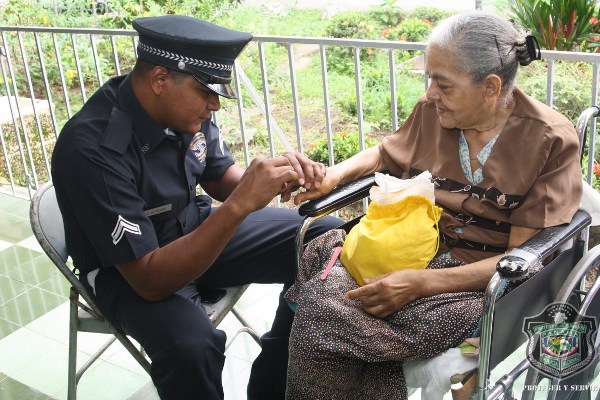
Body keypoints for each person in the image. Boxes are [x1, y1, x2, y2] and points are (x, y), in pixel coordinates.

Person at [285, 11, 583, 400]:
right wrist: (334, 175)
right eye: (430, 79)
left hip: (478, 285)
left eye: (443, 84)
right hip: (414, 252)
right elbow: (385, 154)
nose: (429, 94)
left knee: (324, 321)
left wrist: (421, 283)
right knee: (322, 294)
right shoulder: (433, 113)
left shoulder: (549, 140)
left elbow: (517, 261)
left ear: (491, 87)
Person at [50, 15, 342, 400]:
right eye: (206, 90)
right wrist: (238, 206)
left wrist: (271, 179)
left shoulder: (182, 111)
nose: (215, 104)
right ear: (160, 79)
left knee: (321, 237)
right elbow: (150, 281)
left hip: (192, 227)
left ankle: (273, 383)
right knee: (192, 348)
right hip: (128, 269)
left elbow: (219, 175)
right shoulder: (94, 149)